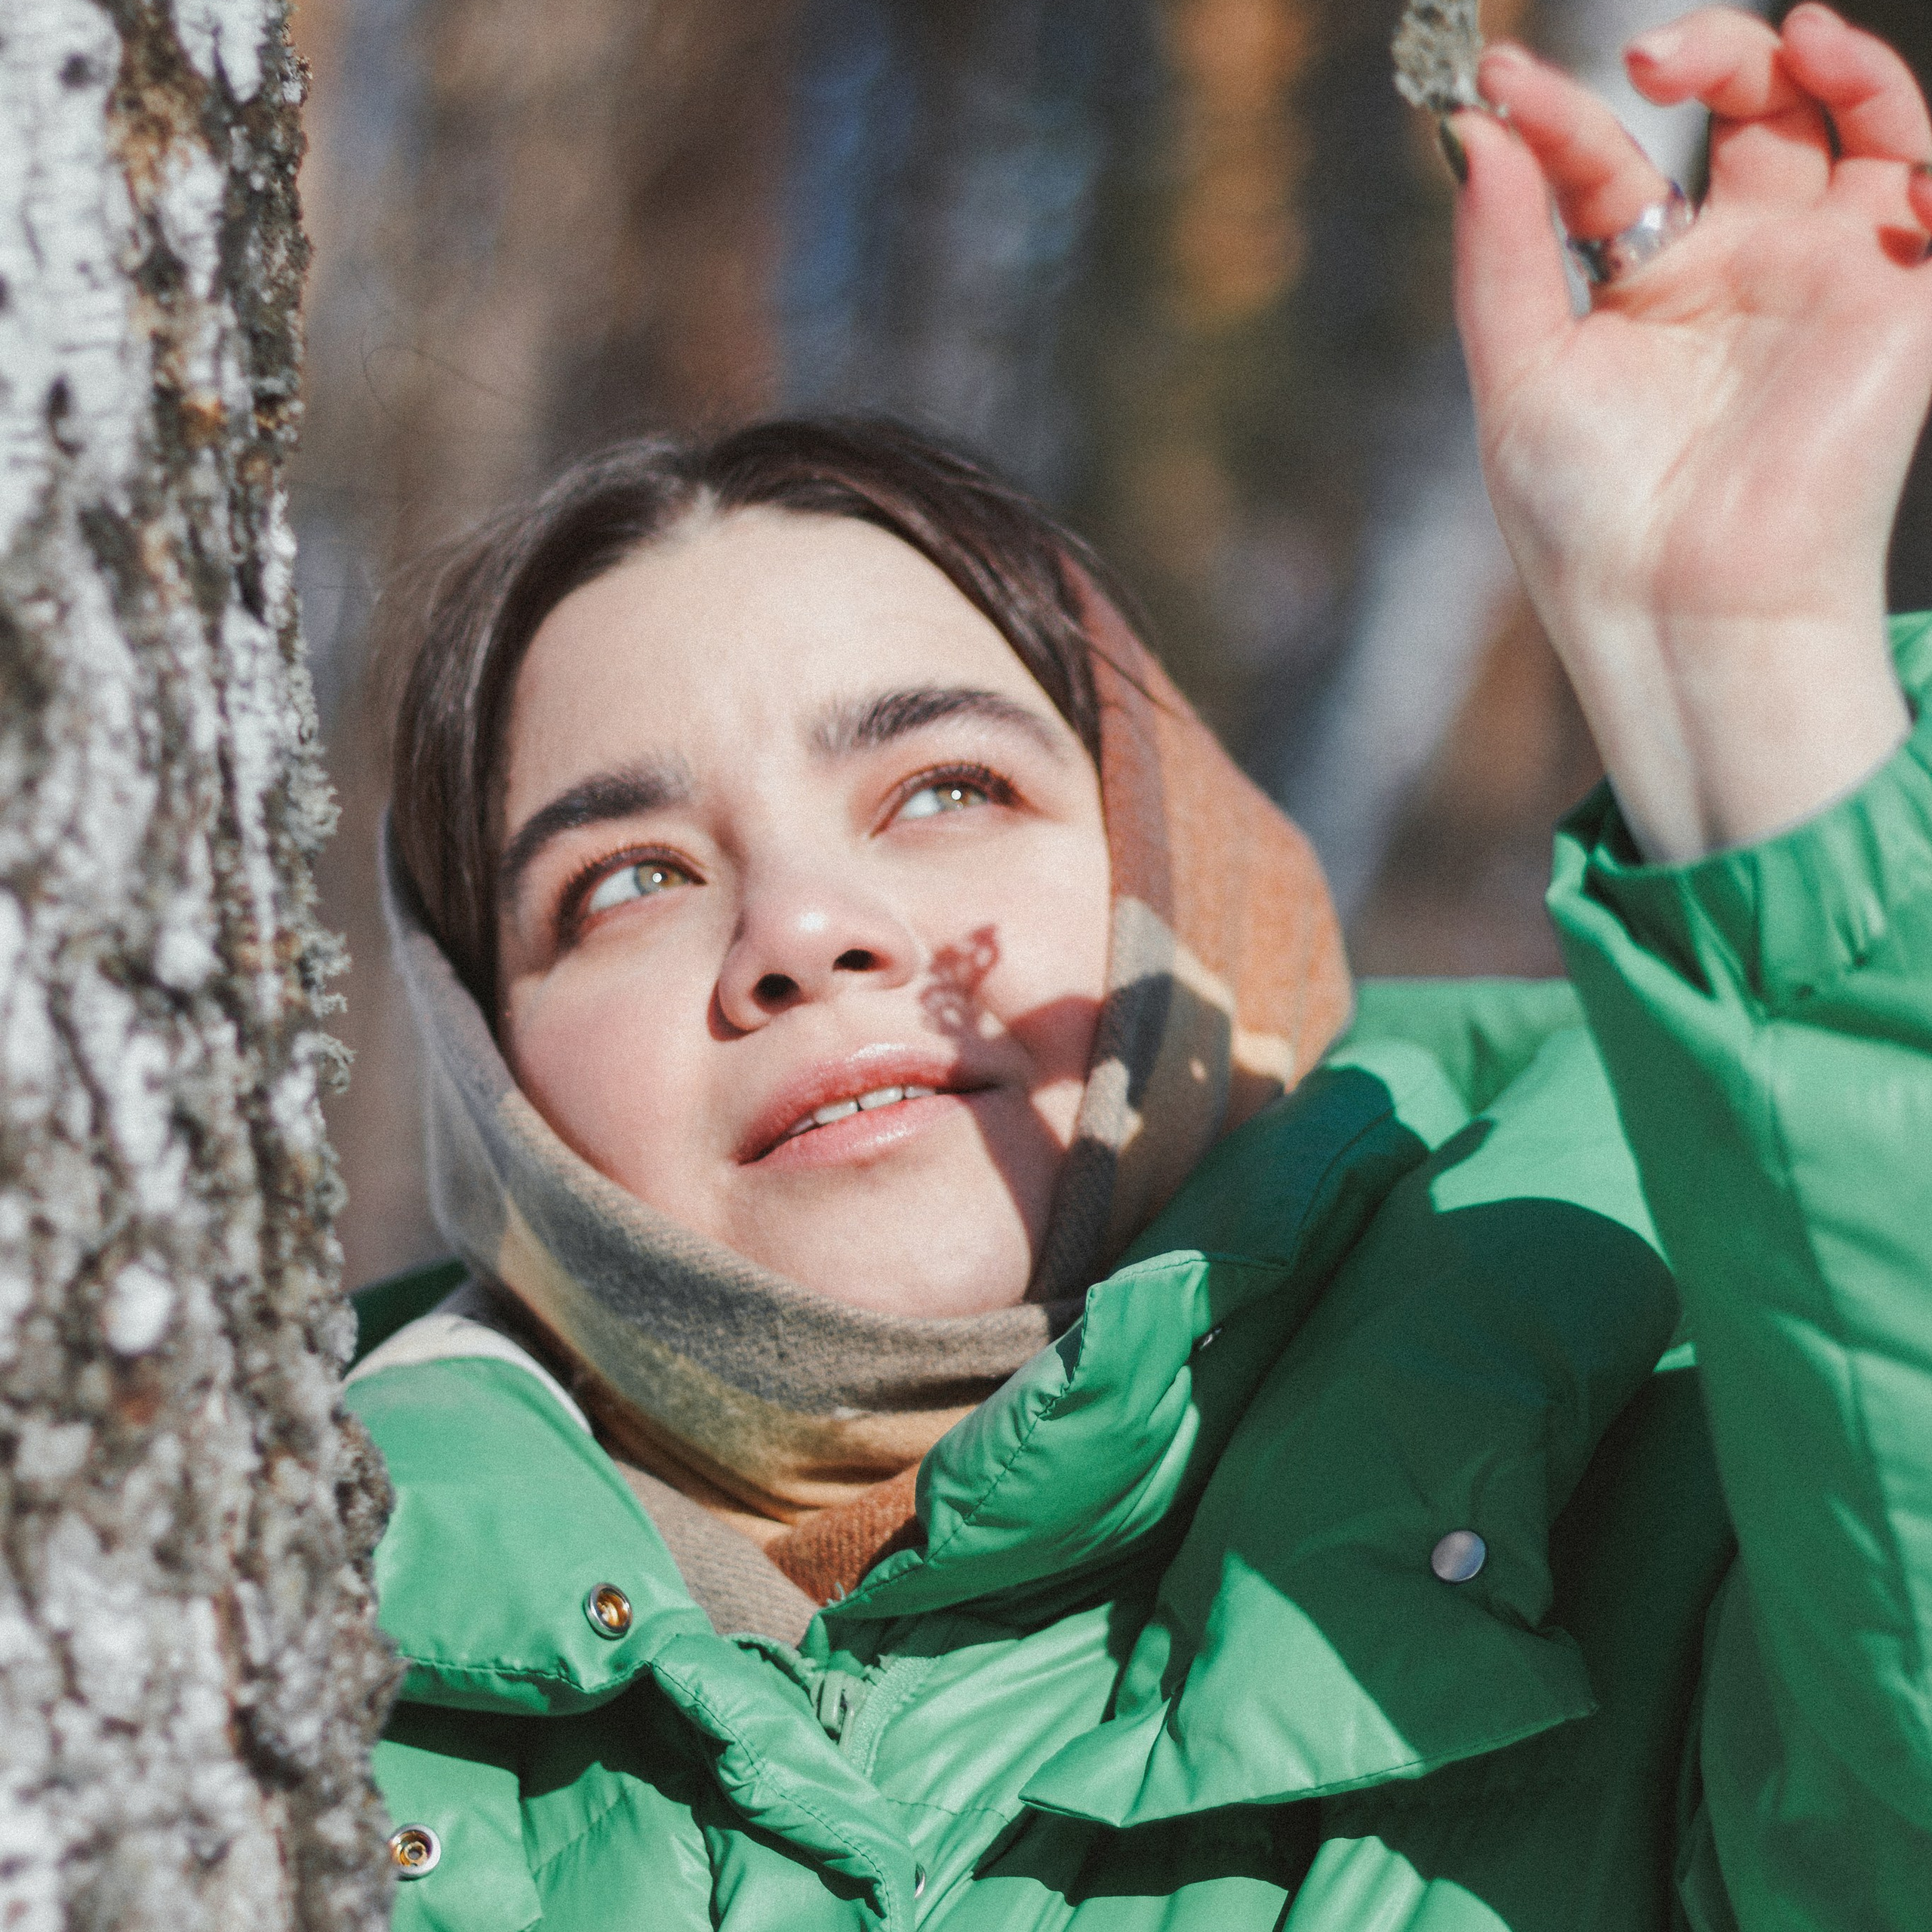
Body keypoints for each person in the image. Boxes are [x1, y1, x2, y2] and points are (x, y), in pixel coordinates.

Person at [343, 7, 1932, 1927]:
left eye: (938, 785)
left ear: (1185, 871)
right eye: (624, 880)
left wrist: (1739, 665)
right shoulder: (250, 1649)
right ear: (485, 1065)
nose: (803, 931)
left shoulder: (1670, 1466)